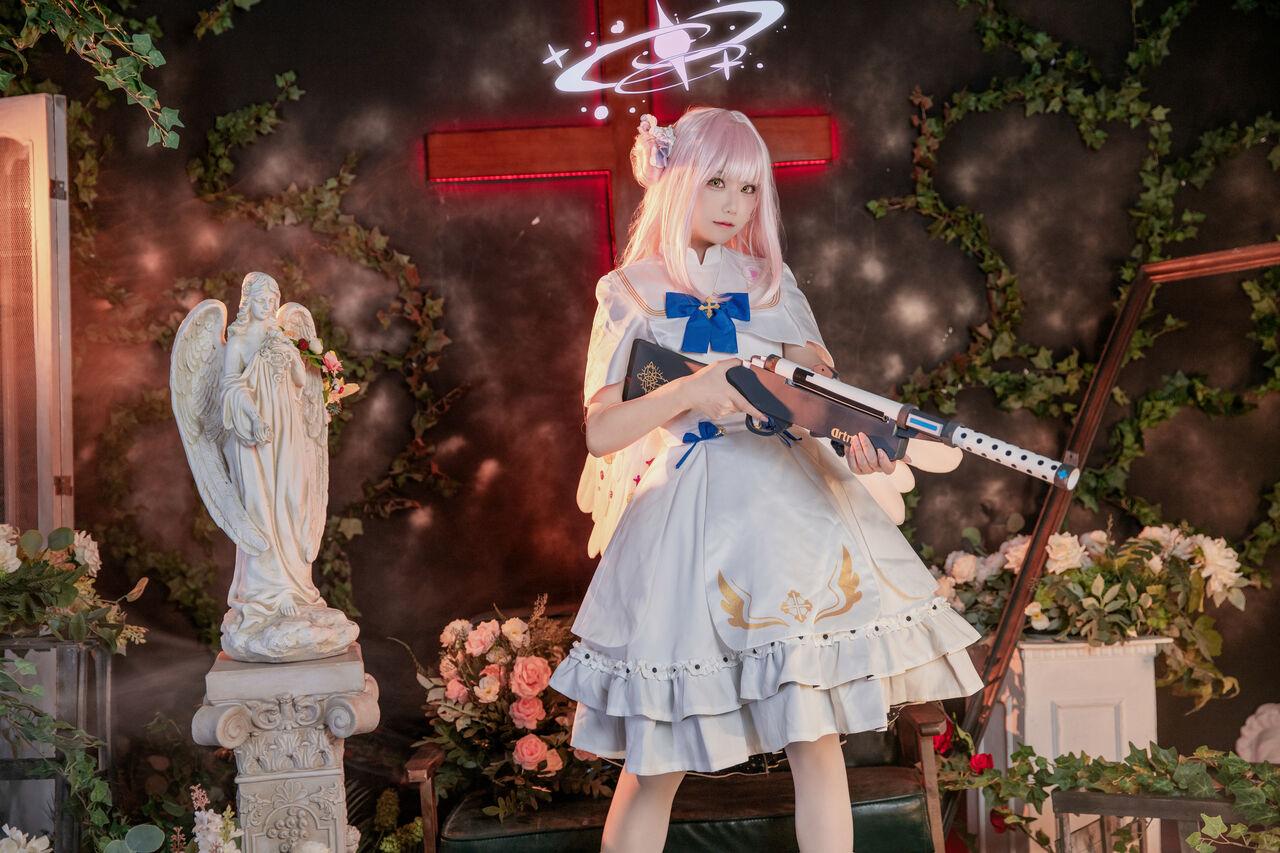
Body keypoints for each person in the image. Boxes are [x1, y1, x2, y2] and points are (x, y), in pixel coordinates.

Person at [548, 107, 983, 853]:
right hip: (687, 521)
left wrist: (862, 446)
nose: (733, 204)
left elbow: (821, 405)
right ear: (675, 178)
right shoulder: (628, 290)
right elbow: (602, 432)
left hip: (792, 522)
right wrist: (691, 388)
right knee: (656, 761)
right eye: (717, 182)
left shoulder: (772, 284)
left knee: (816, 736)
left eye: (749, 189)